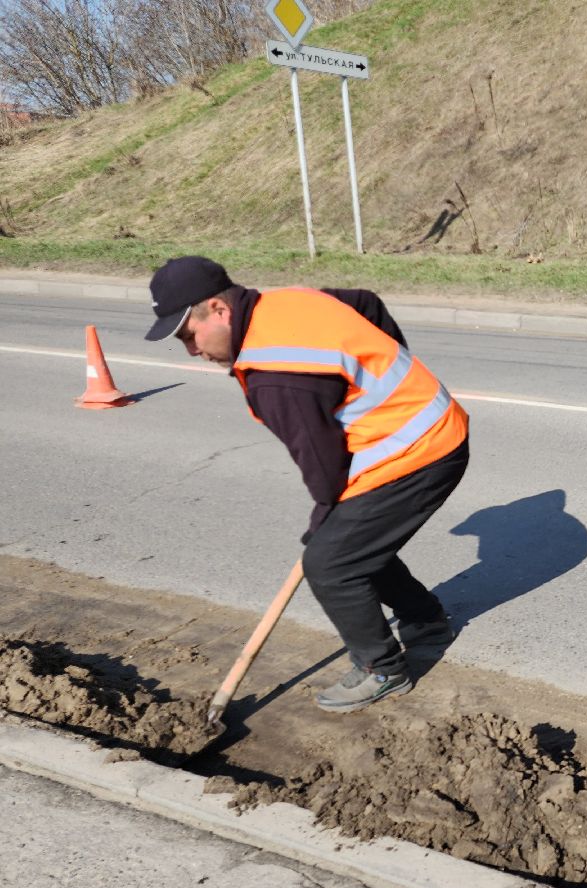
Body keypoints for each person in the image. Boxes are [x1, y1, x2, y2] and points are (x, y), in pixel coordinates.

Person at [143, 255, 470, 713]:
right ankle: (426, 620)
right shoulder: (282, 301)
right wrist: (387, 378)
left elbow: (324, 467)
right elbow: (367, 304)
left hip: (420, 448)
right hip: (420, 426)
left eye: (189, 336)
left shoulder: (275, 375)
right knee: (348, 544)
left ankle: (383, 669)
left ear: (218, 309)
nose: (193, 351)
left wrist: (323, 522)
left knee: (330, 563)